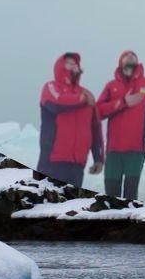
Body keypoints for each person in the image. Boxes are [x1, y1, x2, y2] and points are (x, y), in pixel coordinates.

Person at [94, 50, 145, 201]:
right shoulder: (111, 86)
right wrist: (123, 102)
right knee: (111, 197)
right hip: (113, 152)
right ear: (120, 62)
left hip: (135, 150)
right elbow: (97, 112)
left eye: (133, 55)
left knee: (130, 197)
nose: (130, 55)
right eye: (126, 55)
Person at [37, 52, 100, 188]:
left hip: (78, 164)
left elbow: (95, 128)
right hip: (52, 161)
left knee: (70, 205)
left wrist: (98, 158)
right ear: (60, 66)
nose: (73, 65)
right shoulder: (51, 87)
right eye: (68, 63)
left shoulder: (86, 93)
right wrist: (82, 99)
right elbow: (58, 103)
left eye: (75, 63)